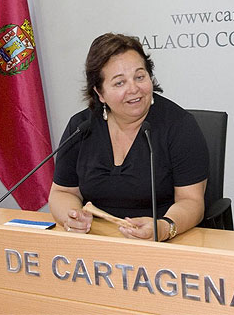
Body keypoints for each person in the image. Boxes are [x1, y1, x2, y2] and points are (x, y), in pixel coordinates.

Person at [49, 33, 208, 241]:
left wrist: (163, 228)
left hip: (164, 241)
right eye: (119, 83)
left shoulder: (179, 126)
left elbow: (191, 201)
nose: (133, 89)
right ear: (100, 93)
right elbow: (62, 192)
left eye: (139, 77)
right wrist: (72, 217)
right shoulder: (81, 127)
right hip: (97, 240)